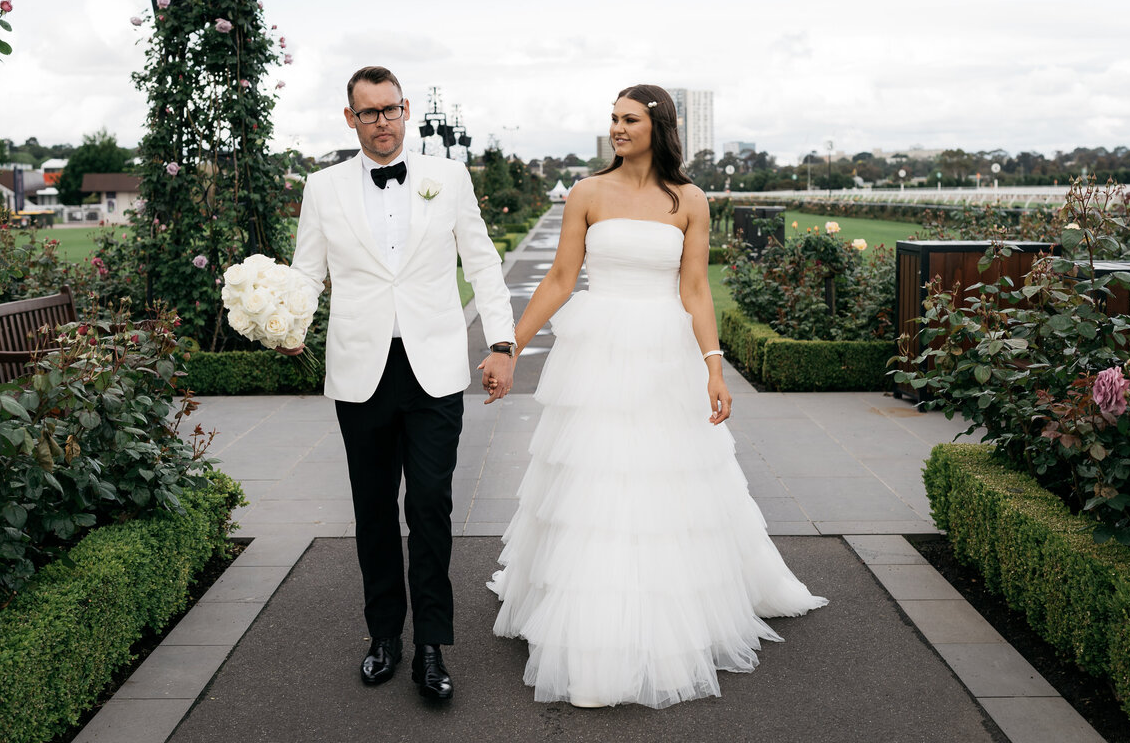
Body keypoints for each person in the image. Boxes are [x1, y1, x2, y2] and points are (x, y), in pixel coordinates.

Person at [486, 84, 828, 709]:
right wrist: (507, 348)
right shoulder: (587, 193)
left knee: (667, 475)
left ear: (658, 125)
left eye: (629, 119)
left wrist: (715, 369)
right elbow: (561, 278)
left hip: (665, 354)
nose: (616, 128)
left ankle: (670, 601)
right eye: (612, 119)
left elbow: (695, 290)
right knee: (595, 473)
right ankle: (588, 603)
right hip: (598, 353)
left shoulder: (688, 199)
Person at [281, 65, 517, 702]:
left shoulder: (448, 176)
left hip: (434, 368)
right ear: (349, 119)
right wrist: (285, 318)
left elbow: (484, 260)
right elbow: (307, 271)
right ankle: (384, 635)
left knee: (431, 505)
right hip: (360, 371)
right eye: (367, 113)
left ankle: (432, 648)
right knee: (373, 509)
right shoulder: (322, 187)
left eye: (389, 110)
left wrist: (502, 342)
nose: (380, 122)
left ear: (406, 109)